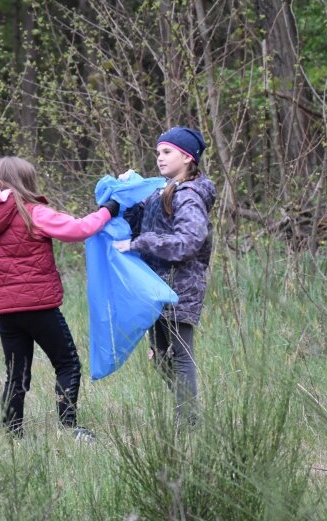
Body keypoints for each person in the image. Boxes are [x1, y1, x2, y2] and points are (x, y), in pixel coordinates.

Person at [0, 156, 119, 441]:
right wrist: (107, 211)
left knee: (16, 374)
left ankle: (12, 435)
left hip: (5, 311)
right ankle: (68, 428)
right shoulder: (33, 212)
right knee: (67, 363)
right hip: (40, 307)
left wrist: (3, 292)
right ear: (26, 181)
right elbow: (79, 230)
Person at [114, 127, 216, 426]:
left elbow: (189, 241)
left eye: (167, 152)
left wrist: (141, 243)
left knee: (180, 356)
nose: (160, 158)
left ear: (187, 157)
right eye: (158, 152)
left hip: (181, 286)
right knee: (159, 357)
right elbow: (135, 223)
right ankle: (187, 413)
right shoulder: (162, 191)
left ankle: (188, 423)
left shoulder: (191, 194)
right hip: (155, 285)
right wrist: (127, 192)